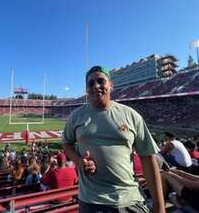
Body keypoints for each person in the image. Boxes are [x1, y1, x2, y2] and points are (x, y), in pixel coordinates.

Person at [62, 65, 165, 213]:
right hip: (92, 201)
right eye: (91, 83)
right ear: (86, 89)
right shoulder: (76, 116)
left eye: (100, 81)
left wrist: (160, 207)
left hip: (130, 199)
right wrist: (78, 161)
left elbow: (148, 159)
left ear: (111, 85)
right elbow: (66, 142)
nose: (96, 86)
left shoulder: (131, 115)